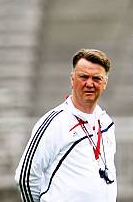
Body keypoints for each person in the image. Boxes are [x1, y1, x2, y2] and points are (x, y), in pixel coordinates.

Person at [15, 48, 117, 202]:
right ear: (72, 79)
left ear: (105, 83)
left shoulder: (106, 122)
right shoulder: (54, 122)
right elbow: (25, 177)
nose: (90, 83)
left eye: (96, 78)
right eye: (83, 77)